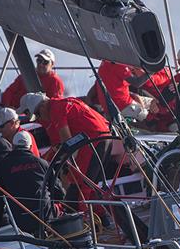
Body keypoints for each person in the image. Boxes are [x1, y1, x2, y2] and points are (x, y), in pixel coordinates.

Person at [18, 92, 112, 224]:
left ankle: (84, 226)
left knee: (81, 187)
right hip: (104, 140)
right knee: (88, 186)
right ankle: (103, 220)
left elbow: (67, 141)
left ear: (43, 106)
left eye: (38, 115)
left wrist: (61, 167)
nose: (39, 119)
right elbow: (59, 145)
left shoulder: (56, 109)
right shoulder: (63, 104)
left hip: (92, 143)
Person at [0, 131, 64, 236]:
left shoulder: (2, 166)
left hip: (21, 223)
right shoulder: (42, 163)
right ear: (30, 146)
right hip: (46, 217)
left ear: (13, 146)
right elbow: (60, 193)